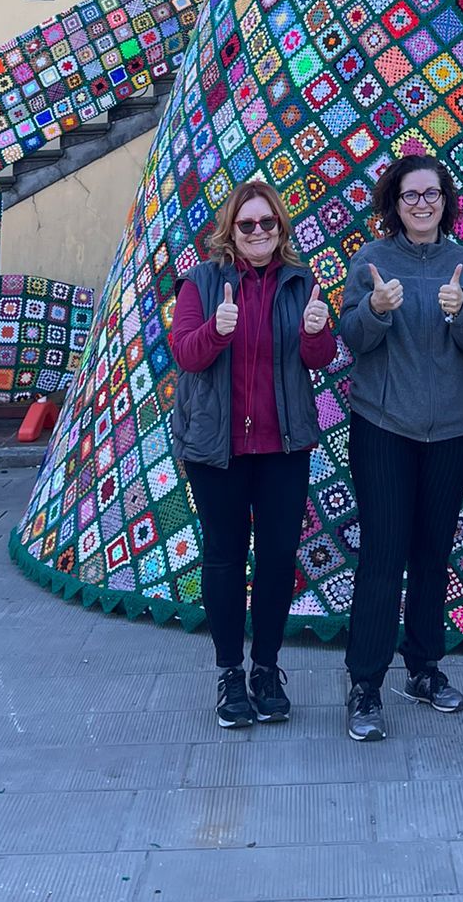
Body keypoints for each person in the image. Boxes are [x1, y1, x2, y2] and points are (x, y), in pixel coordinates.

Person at [338, 154, 463, 743]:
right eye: (411, 195)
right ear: (395, 203)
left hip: (452, 430)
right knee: (383, 556)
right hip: (383, 427)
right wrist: (375, 310)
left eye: (432, 194)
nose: (422, 204)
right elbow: (352, 339)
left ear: (445, 201)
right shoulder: (371, 261)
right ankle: (365, 683)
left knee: (433, 554)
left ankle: (424, 668)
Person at [169, 179, 337, 730]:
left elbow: (319, 358)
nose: (258, 231)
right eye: (247, 224)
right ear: (231, 230)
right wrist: (216, 332)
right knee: (223, 556)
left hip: (283, 446)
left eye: (268, 222)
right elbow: (185, 356)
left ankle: (266, 668)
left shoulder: (300, 282)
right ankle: (229, 673)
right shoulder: (200, 282)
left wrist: (315, 333)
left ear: (280, 227)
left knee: (277, 558)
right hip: (216, 446)